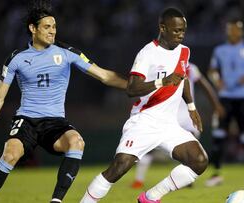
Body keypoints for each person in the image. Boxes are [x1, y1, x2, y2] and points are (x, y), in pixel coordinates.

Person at [0, 1, 127, 203]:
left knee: (77, 142)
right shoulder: (16, 58)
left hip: (55, 122)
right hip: (26, 120)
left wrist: (132, 86)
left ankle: (56, 201)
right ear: (32, 29)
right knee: (11, 154)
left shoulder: (67, 52)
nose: (52, 31)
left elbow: (104, 75)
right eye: (47, 27)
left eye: (54, 27)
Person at [80, 7, 208, 203]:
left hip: (169, 125)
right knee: (119, 167)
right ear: (162, 28)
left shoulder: (184, 51)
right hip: (144, 121)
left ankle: (150, 198)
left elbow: (183, 79)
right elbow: (132, 88)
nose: (181, 35)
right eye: (176, 30)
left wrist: (191, 107)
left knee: (199, 161)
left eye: (183, 30)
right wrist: (162, 82)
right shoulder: (147, 53)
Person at [130, 62, 225, 189]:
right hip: (167, 114)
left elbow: (204, 86)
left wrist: (216, 105)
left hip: (185, 116)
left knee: (189, 150)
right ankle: (139, 180)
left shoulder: (189, 67)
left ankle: (184, 179)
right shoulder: (159, 65)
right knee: (150, 147)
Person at [206, 20, 244, 186]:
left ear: (240, 32)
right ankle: (216, 174)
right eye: (229, 30)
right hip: (225, 97)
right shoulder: (219, 50)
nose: (232, 33)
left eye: (235, 30)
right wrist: (217, 81)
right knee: (218, 135)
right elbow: (212, 71)